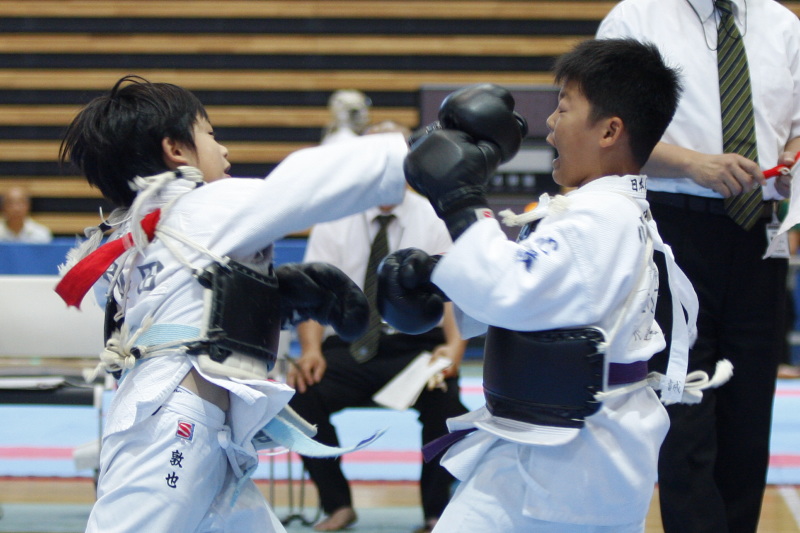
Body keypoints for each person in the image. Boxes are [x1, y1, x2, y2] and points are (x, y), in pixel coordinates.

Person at [54, 75, 521, 533]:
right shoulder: (205, 205)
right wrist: (424, 145)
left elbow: (178, 312)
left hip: (190, 425)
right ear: (176, 151)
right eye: (211, 136)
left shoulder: (132, 236)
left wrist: (265, 296)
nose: (225, 152)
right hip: (173, 428)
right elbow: (299, 186)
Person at [377, 39, 703, 532]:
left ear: (611, 130)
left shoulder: (602, 215)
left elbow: (515, 292)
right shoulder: (603, 209)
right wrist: (439, 278)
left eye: (564, 108)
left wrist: (462, 201)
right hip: (560, 447)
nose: (550, 125)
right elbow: (545, 297)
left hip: (569, 459)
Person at [597, 2, 800, 531]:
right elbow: (605, 128)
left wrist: (793, 159)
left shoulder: (781, 24)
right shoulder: (636, 19)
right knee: (682, 404)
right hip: (670, 227)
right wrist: (693, 163)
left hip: (760, 231)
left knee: (750, 408)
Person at [286, 120, 468, 533]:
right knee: (301, 397)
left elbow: (454, 291)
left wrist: (454, 349)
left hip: (416, 349)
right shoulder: (334, 219)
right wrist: (310, 352)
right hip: (348, 346)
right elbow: (314, 297)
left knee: (448, 405)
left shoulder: (434, 217)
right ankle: (338, 505)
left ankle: (434, 513)